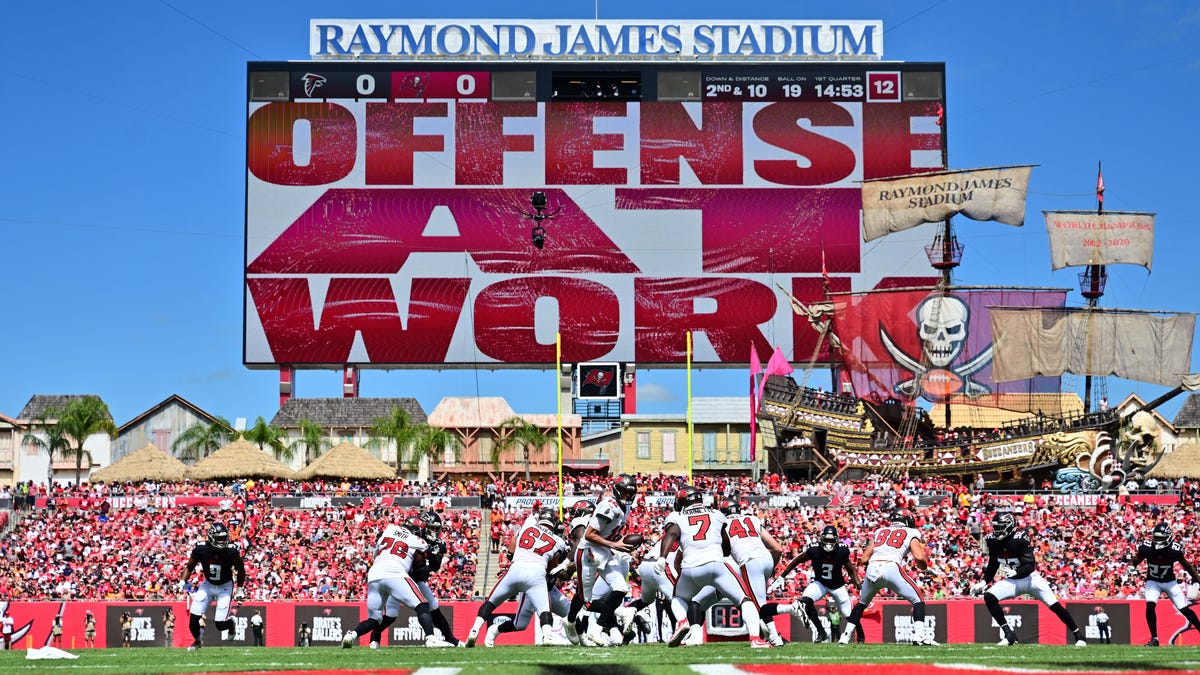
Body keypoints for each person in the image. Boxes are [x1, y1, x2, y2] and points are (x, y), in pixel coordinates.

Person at [660, 485, 767, 649]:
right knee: (744, 600)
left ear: (682, 502)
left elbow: (672, 534)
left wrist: (662, 557)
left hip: (690, 568)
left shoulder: (676, 516)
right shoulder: (716, 514)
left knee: (678, 598)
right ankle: (755, 638)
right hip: (716, 566)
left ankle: (682, 621)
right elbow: (726, 545)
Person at [342, 514, 451, 649]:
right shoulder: (417, 540)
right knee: (422, 605)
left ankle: (351, 635)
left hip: (375, 572)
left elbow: (376, 553)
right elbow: (431, 560)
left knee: (375, 619)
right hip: (395, 572)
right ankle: (431, 638)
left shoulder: (389, 529)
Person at [981, 511, 1088, 647]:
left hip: (1031, 579)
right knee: (989, 596)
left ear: (1009, 526)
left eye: (1000, 527)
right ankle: (1009, 635)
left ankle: (1079, 636)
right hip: (1014, 581)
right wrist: (984, 581)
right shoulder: (992, 540)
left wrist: (1016, 572)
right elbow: (993, 563)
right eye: (995, 527)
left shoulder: (1020, 538)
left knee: (1055, 606)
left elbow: (1030, 566)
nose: (996, 531)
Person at [466, 507, 568, 647]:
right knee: (544, 610)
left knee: (491, 602)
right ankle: (548, 636)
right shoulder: (559, 541)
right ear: (554, 524)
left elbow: (511, 548)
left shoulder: (528, 525)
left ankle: (474, 630)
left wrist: (516, 554)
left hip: (516, 568)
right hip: (537, 574)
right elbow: (552, 569)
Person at [840, 509, 934, 646]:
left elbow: (864, 559)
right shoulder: (912, 532)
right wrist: (925, 567)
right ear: (907, 520)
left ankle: (845, 636)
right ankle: (919, 636)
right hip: (891, 567)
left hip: (873, 568)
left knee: (862, 603)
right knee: (918, 599)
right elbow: (919, 557)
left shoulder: (880, 531)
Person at [770, 524, 862, 644]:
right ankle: (821, 632)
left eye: (831, 540)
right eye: (827, 540)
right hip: (821, 583)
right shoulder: (814, 550)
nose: (829, 543)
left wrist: (859, 585)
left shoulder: (842, 551)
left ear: (836, 540)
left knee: (847, 614)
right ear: (821, 539)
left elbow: (851, 569)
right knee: (805, 601)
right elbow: (797, 560)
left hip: (837, 585)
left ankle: (860, 633)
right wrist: (782, 575)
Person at [578, 474, 640, 646]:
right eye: (625, 492)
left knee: (621, 589)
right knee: (585, 598)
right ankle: (570, 622)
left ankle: (596, 629)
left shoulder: (626, 508)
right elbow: (589, 535)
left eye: (630, 493)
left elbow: (611, 531)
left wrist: (619, 542)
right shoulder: (608, 506)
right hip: (591, 551)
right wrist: (614, 544)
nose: (628, 496)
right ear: (617, 491)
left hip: (606, 550)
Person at [721, 499, 790, 646]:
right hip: (766, 558)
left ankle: (777, 633)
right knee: (757, 601)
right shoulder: (752, 519)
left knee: (759, 605)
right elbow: (777, 548)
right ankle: (769, 635)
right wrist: (771, 568)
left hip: (749, 561)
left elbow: (724, 551)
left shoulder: (723, 525)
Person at [1132, 522, 1200, 646]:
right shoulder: (1147, 548)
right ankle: (1155, 639)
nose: (1157, 541)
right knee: (1150, 605)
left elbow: (1188, 566)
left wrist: (1197, 580)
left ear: (1168, 538)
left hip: (1170, 582)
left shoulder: (1174, 550)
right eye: (1156, 538)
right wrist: (1131, 568)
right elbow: (1136, 560)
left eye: (1160, 538)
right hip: (1153, 581)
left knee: (1185, 609)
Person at [182, 522, 247, 650]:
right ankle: (197, 641)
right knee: (193, 620)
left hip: (225, 586)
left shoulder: (231, 551)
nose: (223, 541)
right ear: (211, 537)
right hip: (207, 585)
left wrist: (239, 589)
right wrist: (182, 582)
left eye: (224, 537)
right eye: (220, 538)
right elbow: (189, 567)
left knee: (220, 624)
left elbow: (241, 570)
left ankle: (231, 623)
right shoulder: (201, 549)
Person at [411, 511, 464, 646]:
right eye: (432, 527)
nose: (434, 531)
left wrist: (433, 555)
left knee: (433, 607)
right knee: (389, 613)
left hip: (417, 580)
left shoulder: (437, 543)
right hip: (402, 577)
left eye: (436, 528)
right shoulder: (413, 536)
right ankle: (374, 639)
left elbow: (434, 567)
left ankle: (449, 638)